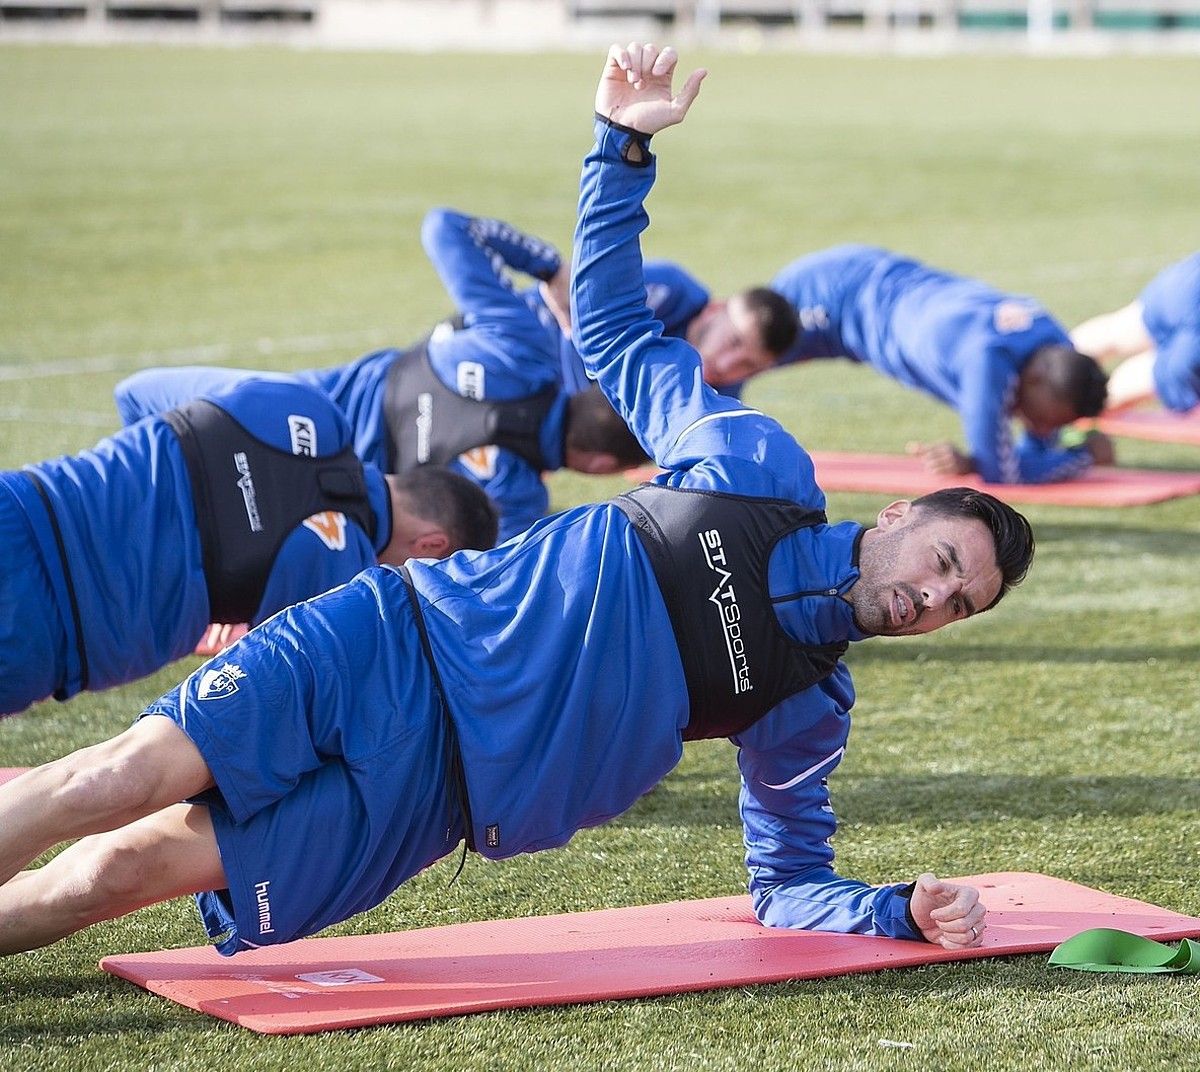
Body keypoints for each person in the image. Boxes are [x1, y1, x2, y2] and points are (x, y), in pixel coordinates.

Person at [0, 44, 1034, 959]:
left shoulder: (806, 708)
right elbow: (621, 337)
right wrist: (620, 149)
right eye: (944, 563)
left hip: (429, 800)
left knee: (111, 877)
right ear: (901, 518)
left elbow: (789, 883)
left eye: (960, 605)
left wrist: (899, 907)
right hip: (391, 642)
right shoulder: (755, 466)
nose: (932, 599)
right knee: (103, 785)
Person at [115, 208, 648, 544]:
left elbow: (444, 225)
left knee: (139, 397)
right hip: (302, 517)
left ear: (587, 391)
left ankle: (125, 500)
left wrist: (552, 269)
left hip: (277, 409)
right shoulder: (518, 501)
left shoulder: (523, 344)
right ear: (599, 465)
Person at [0, 376, 497, 717]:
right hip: (48, 635)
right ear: (432, 545)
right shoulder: (342, 585)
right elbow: (262, 704)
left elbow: (136, 393)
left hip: (24, 503)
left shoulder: (306, 407)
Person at [764, 244, 1113, 484]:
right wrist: (1083, 456)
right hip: (827, 296)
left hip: (864, 275)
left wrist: (984, 460)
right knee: (728, 364)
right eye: (1038, 417)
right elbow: (1003, 474)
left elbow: (1025, 448)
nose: (1033, 424)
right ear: (1035, 378)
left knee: (731, 363)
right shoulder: (987, 364)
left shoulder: (1053, 342)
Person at [533, 255, 800, 394]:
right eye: (733, 342)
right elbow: (573, 299)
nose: (727, 366)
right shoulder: (668, 291)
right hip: (531, 331)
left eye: (748, 366)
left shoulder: (720, 395)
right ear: (716, 310)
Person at [1070, 251, 1200, 414]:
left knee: (1118, 331)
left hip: (1188, 282)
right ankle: (1071, 408)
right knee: (1151, 372)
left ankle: (1047, 372)